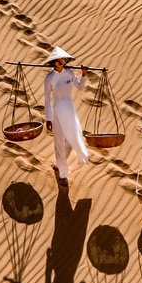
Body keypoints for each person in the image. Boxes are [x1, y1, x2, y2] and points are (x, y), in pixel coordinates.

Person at [43, 46, 89, 187]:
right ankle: (63, 173)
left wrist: (84, 74)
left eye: (62, 59)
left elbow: (80, 87)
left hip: (70, 109)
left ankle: (59, 163)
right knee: (59, 143)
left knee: (71, 140)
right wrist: (49, 119)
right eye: (58, 60)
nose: (60, 61)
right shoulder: (49, 78)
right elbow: (46, 99)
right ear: (53, 62)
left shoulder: (70, 73)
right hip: (57, 111)